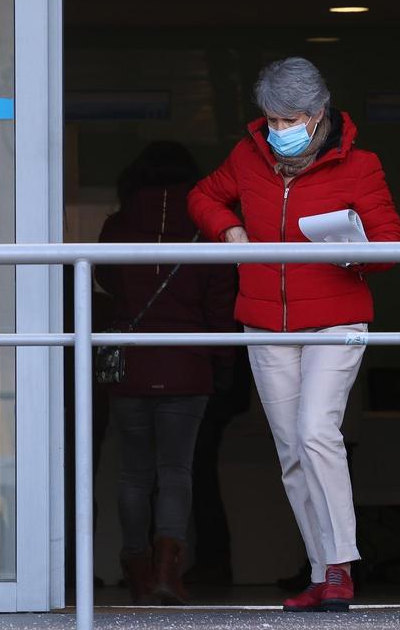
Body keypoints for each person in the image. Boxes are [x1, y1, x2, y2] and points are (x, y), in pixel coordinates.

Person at [188, 57, 400, 612]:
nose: (280, 129)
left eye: (292, 119)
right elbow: (204, 197)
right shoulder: (247, 156)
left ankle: (340, 565)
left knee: (315, 433)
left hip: (336, 317)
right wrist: (230, 229)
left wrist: (354, 252)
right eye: (273, 118)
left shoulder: (361, 166)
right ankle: (320, 570)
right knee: (289, 450)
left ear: (318, 114)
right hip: (265, 321)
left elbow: (390, 246)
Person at [96, 141, 237, 605]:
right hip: (187, 359)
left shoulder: (117, 226)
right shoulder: (204, 224)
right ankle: (166, 571)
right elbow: (221, 298)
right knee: (176, 471)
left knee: (133, 475)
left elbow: (105, 281)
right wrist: (225, 359)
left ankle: (135, 567)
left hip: (131, 362)